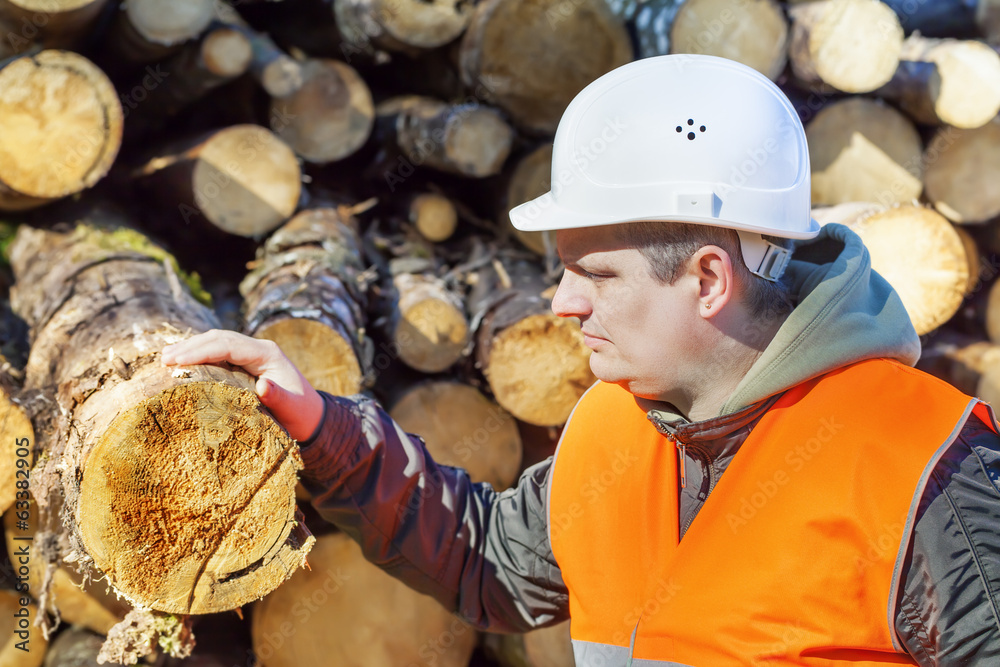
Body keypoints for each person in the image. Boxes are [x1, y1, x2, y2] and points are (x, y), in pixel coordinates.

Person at [161, 55, 1000, 665]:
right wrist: (323, 427)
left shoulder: (931, 476)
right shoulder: (620, 422)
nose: (561, 302)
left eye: (593, 273)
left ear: (709, 277)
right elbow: (490, 562)